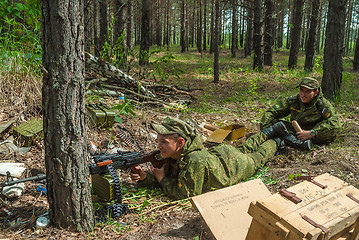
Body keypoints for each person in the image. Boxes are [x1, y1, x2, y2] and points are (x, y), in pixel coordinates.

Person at [130, 117, 288, 200]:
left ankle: (276, 140)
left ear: (180, 142)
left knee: (258, 156)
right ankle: (269, 131)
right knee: (244, 148)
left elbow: (184, 193)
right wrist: (146, 177)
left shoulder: (194, 160)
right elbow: (171, 175)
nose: (159, 146)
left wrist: (160, 179)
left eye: (164, 142)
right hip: (222, 155)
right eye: (158, 141)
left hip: (234, 167)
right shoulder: (175, 153)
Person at [260, 77, 341, 149]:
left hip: (314, 134)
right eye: (301, 90)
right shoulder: (293, 101)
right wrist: (265, 129)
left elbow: (335, 122)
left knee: (330, 130)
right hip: (296, 131)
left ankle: (293, 140)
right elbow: (272, 112)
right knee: (276, 124)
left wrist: (312, 132)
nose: (303, 94)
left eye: (308, 91)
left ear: (316, 92)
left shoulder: (322, 105)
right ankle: (292, 140)